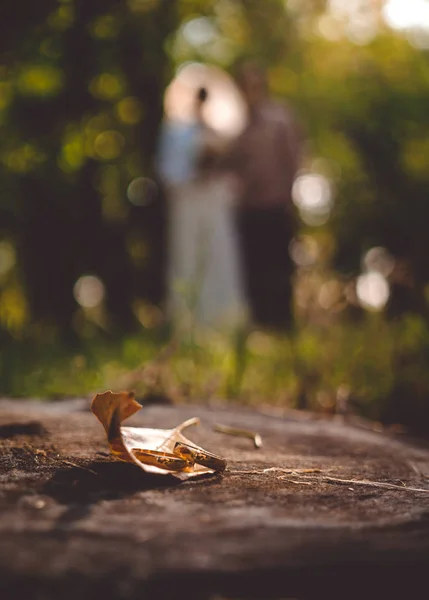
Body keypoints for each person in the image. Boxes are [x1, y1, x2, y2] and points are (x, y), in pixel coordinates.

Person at [156, 87, 246, 328]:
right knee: (188, 254)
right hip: (188, 201)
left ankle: (224, 318)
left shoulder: (219, 133)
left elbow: (234, 169)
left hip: (213, 200)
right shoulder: (176, 132)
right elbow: (167, 170)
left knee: (218, 253)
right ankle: (188, 320)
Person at [224, 59, 303, 330]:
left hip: (276, 203)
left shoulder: (281, 117)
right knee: (252, 266)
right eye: (245, 85)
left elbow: (294, 158)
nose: (251, 90)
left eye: (255, 84)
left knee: (279, 264)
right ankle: (260, 324)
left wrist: (290, 197)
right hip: (246, 206)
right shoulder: (234, 124)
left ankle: (283, 324)